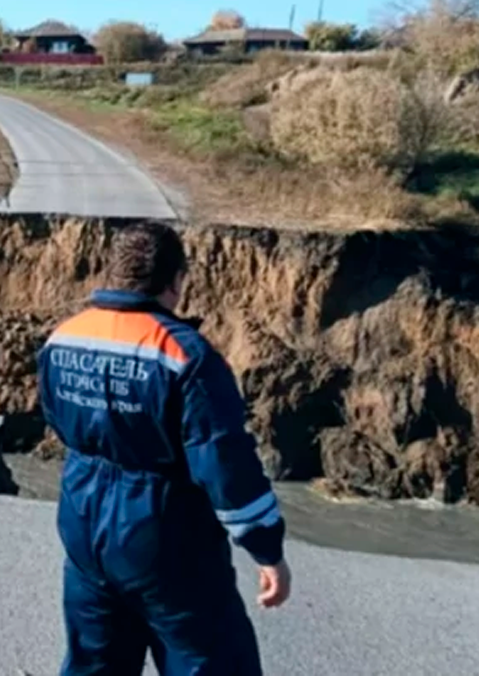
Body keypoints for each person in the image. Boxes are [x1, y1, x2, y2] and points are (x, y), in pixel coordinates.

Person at [37, 220, 291, 676]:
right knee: (208, 660)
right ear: (176, 281)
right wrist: (266, 548)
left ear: (115, 273)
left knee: (95, 663)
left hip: (83, 523)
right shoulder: (184, 355)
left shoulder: (64, 337)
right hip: (164, 535)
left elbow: (57, 420)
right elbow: (224, 464)